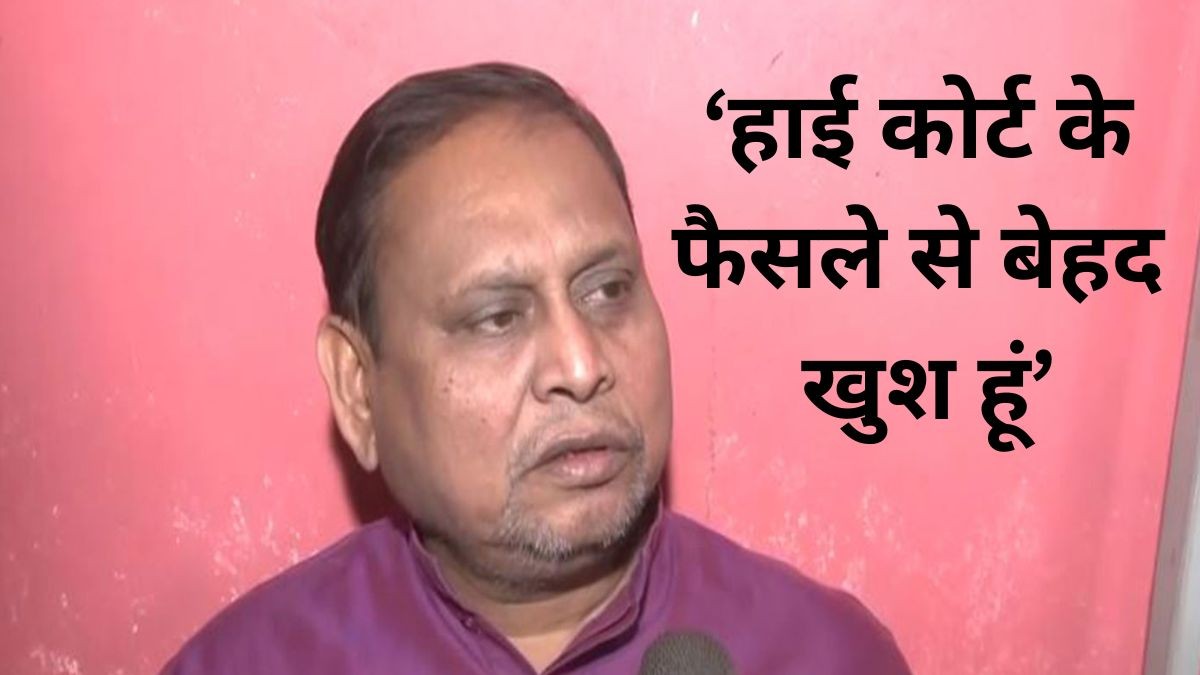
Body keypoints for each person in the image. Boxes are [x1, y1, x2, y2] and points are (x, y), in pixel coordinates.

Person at [162, 62, 911, 674]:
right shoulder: (247, 664)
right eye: (497, 317)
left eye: (607, 290)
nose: (581, 366)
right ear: (359, 389)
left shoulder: (826, 657)